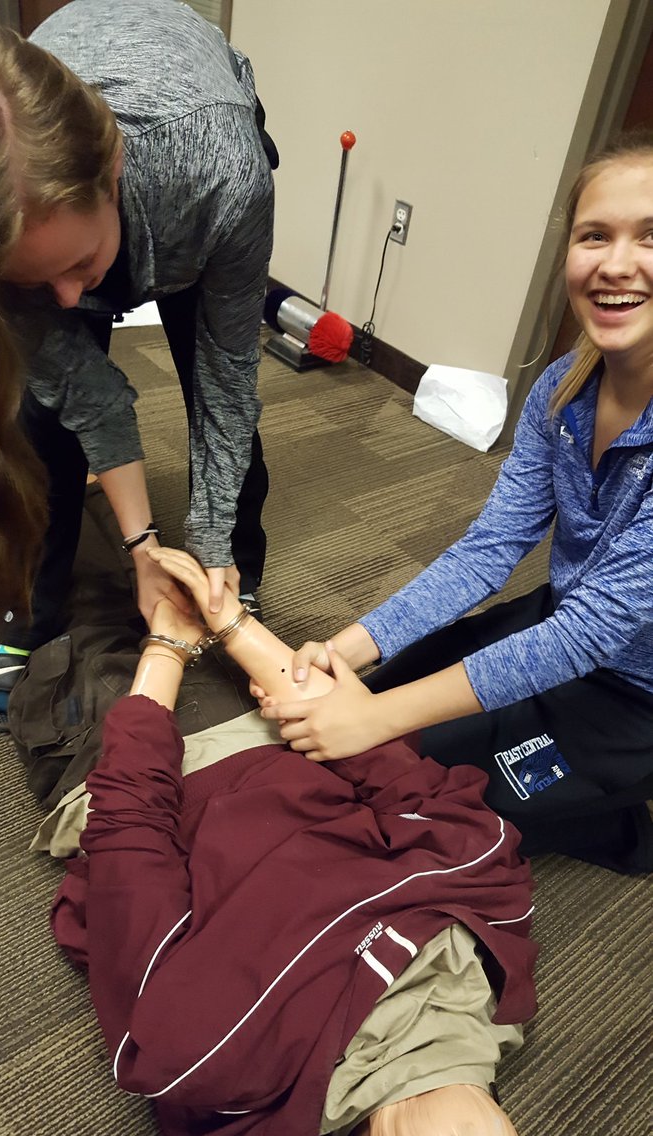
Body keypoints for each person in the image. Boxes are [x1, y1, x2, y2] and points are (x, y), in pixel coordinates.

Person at [49, 545, 536, 1136]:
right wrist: (220, 629)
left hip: (157, 758)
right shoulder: (213, 1059)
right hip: (250, 735)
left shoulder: (488, 922)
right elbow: (129, 865)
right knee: (134, 556)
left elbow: (128, 853)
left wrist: (192, 643)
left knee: (57, 578)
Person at [258, 130, 653, 875]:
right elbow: (488, 549)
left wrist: (372, 719)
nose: (615, 263)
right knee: (379, 704)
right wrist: (347, 647)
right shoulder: (563, 386)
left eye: (649, 238)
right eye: (593, 235)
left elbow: (593, 635)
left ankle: (621, 817)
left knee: (429, 805)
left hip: (636, 691)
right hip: (566, 621)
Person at [0, 0, 276, 731]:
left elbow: (225, 379)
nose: (73, 299)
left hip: (192, 167)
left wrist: (201, 550)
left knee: (219, 396)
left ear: (110, 173)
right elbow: (91, 395)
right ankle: (26, 606)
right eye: (37, 281)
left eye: (80, 264)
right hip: (93, 201)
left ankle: (229, 578)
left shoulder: (221, 174)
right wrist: (142, 547)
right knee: (38, 415)